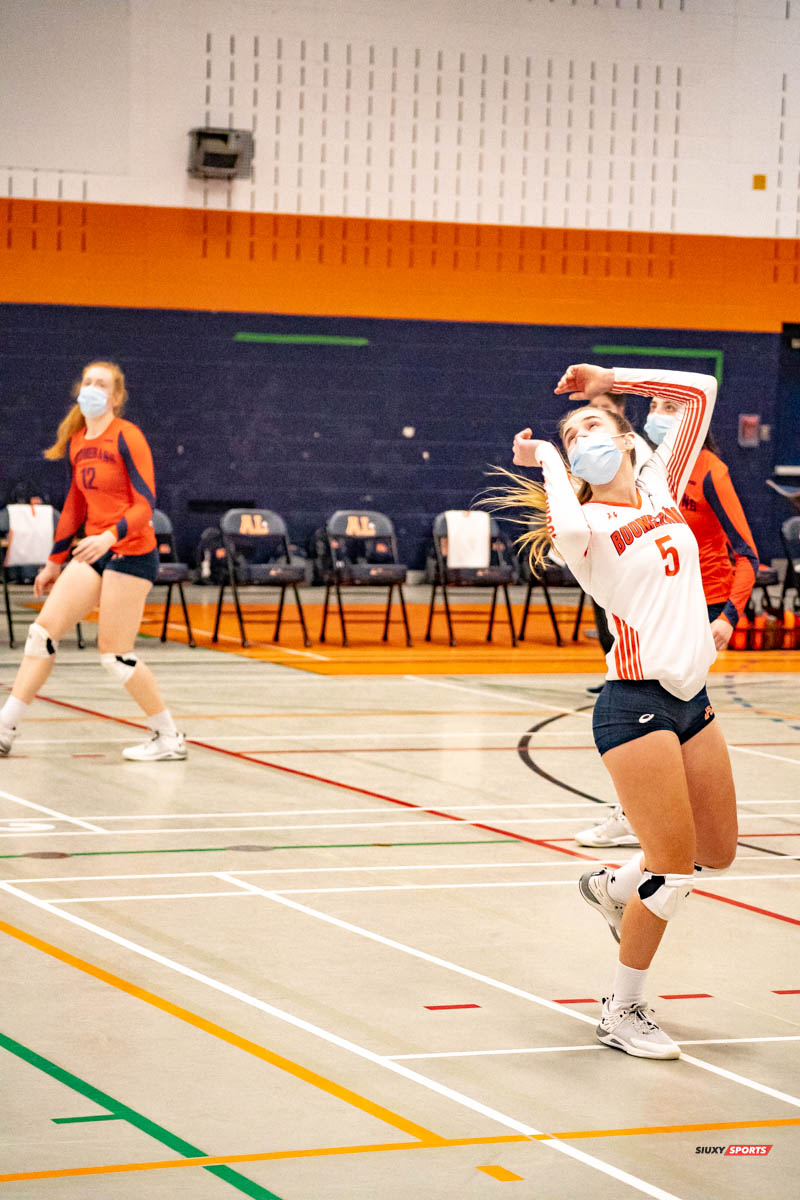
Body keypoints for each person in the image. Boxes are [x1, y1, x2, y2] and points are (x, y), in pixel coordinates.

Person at [505, 363, 737, 1059]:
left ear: (628, 437)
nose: (582, 440)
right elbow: (565, 517)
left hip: (692, 702)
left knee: (715, 852)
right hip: (633, 707)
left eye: (592, 425)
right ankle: (620, 1008)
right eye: (572, 436)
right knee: (673, 870)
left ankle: (612, 887)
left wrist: (614, 377)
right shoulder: (585, 525)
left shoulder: (663, 484)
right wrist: (545, 457)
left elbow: (702, 392)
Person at [577, 405, 757, 849]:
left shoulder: (710, 471)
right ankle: (643, 814)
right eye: (652, 407)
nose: (657, 415)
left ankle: (651, 821)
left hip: (703, 598)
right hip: (644, 591)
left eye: (669, 408)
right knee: (651, 700)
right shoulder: (645, 470)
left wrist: (729, 616)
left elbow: (747, 552)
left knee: (677, 701)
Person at [0, 361, 186, 762]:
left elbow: (145, 504)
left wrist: (108, 536)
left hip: (131, 552)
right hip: (94, 552)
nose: (92, 389)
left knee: (115, 656)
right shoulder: (79, 441)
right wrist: (53, 561)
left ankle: (168, 737)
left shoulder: (128, 437)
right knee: (41, 635)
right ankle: (5, 728)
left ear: (116, 398)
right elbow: (74, 504)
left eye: (101, 384)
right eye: (88, 382)